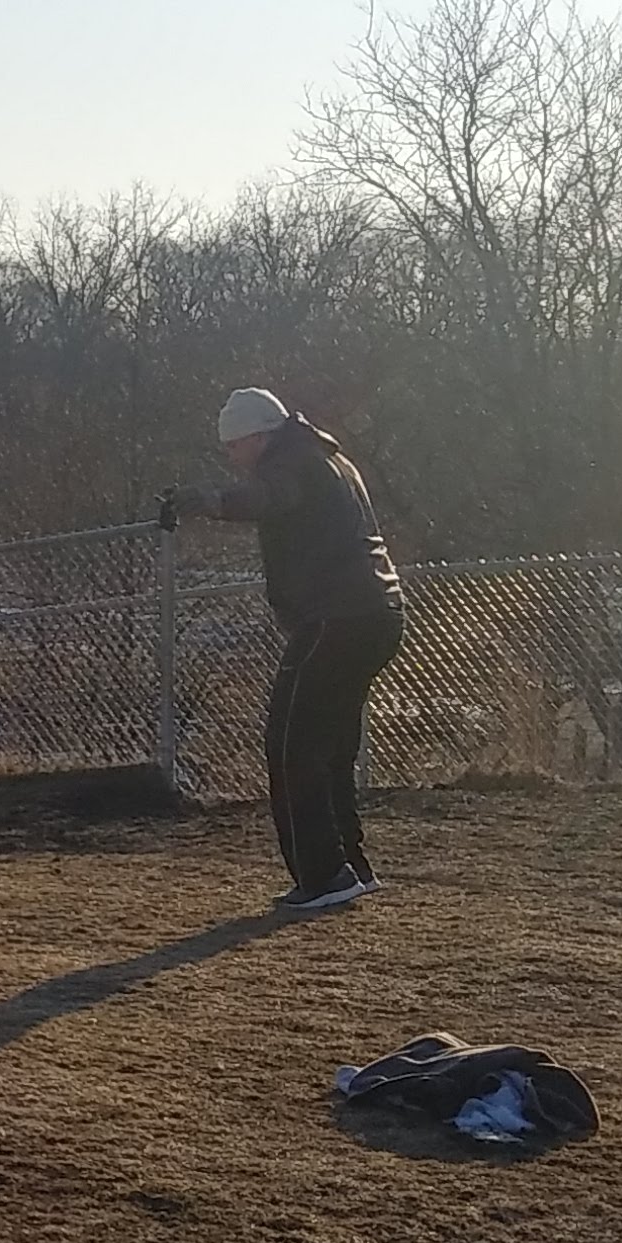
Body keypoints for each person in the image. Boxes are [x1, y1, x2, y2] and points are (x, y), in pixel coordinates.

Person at [185, 383, 406, 912]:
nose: (233, 457)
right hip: (376, 611)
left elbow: (269, 497)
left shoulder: (292, 463)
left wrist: (211, 502)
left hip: (336, 616)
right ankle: (349, 866)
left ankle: (324, 874)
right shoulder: (328, 458)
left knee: (291, 743)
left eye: (234, 446)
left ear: (257, 436)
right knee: (330, 746)